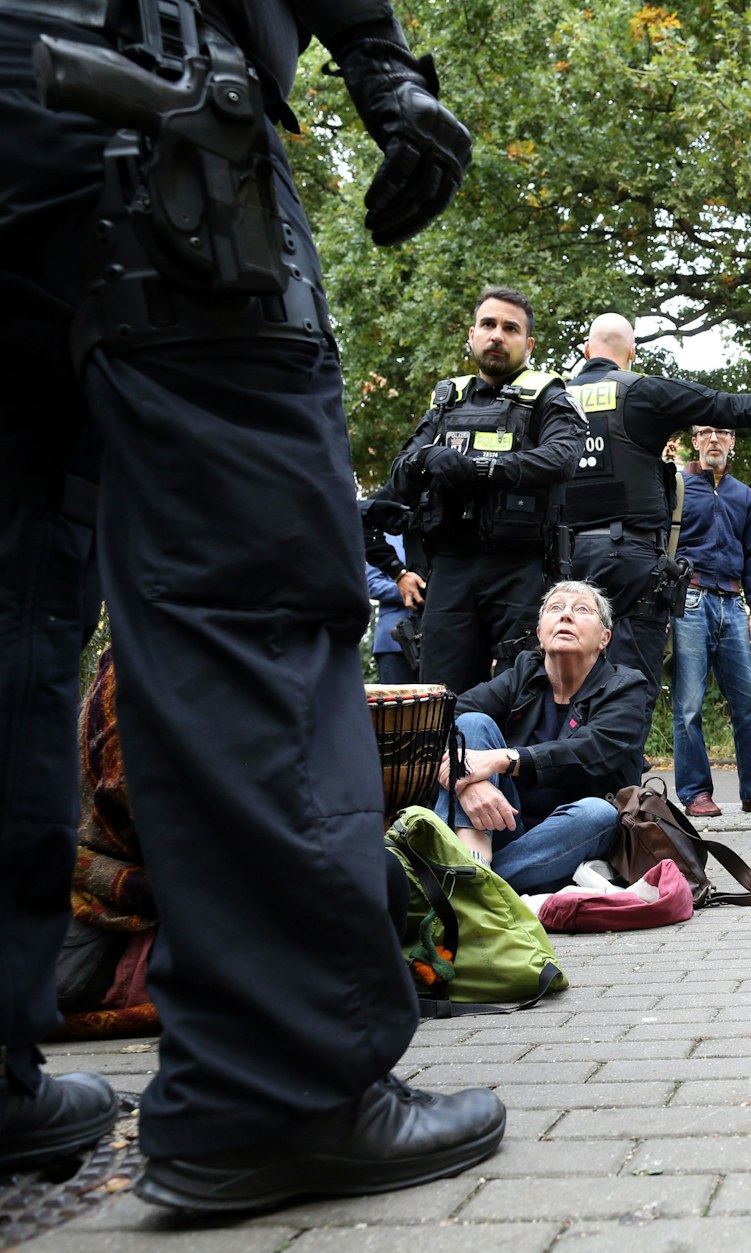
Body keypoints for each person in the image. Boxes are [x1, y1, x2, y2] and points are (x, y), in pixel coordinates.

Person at [0, 0, 503, 1212]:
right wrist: (383, 73)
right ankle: (276, 1088)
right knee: (252, 593)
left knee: (15, 625)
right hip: (144, 108)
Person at [558, 314, 751, 735]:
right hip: (631, 559)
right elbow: (727, 405)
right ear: (631, 353)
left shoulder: (552, 397)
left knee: (565, 676)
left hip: (562, 563)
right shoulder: (642, 391)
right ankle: (619, 791)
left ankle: (564, 779)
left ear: (586, 352)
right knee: (630, 681)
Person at [388, 287, 583, 697]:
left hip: (521, 568)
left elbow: (561, 458)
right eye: (488, 325)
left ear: (527, 344)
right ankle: (447, 765)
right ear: (472, 335)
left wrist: (481, 467)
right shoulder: (447, 401)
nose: (497, 335)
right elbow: (399, 477)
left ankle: (512, 763)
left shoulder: (548, 394)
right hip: (450, 569)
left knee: (525, 692)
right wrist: (426, 459)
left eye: (510, 328)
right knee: (439, 696)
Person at [432, 581, 649, 893]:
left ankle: (463, 882)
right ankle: (472, 862)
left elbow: (591, 751)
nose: (566, 616)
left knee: (599, 812)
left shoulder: (625, 687)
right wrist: (470, 785)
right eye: (555, 609)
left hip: (570, 840)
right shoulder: (524, 672)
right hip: (502, 824)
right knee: (472, 723)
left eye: (582, 610)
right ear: (539, 634)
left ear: (605, 638)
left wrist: (502, 759)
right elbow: (444, 717)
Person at [671, 426, 751, 817]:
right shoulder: (678, 487)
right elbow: (661, 546)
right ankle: (695, 793)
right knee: (689, 704)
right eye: (706, 433)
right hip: (689, 598)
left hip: (734, 603)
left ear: (733, 441)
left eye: (722, 433)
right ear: (696, 441)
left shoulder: (743, 494)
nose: (714, 440)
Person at [367, 530, 418, 684]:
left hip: (436, 637)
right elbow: (370, 584)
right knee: (395, 705)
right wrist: (410, 590)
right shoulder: (381, 540)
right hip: (394, 641)